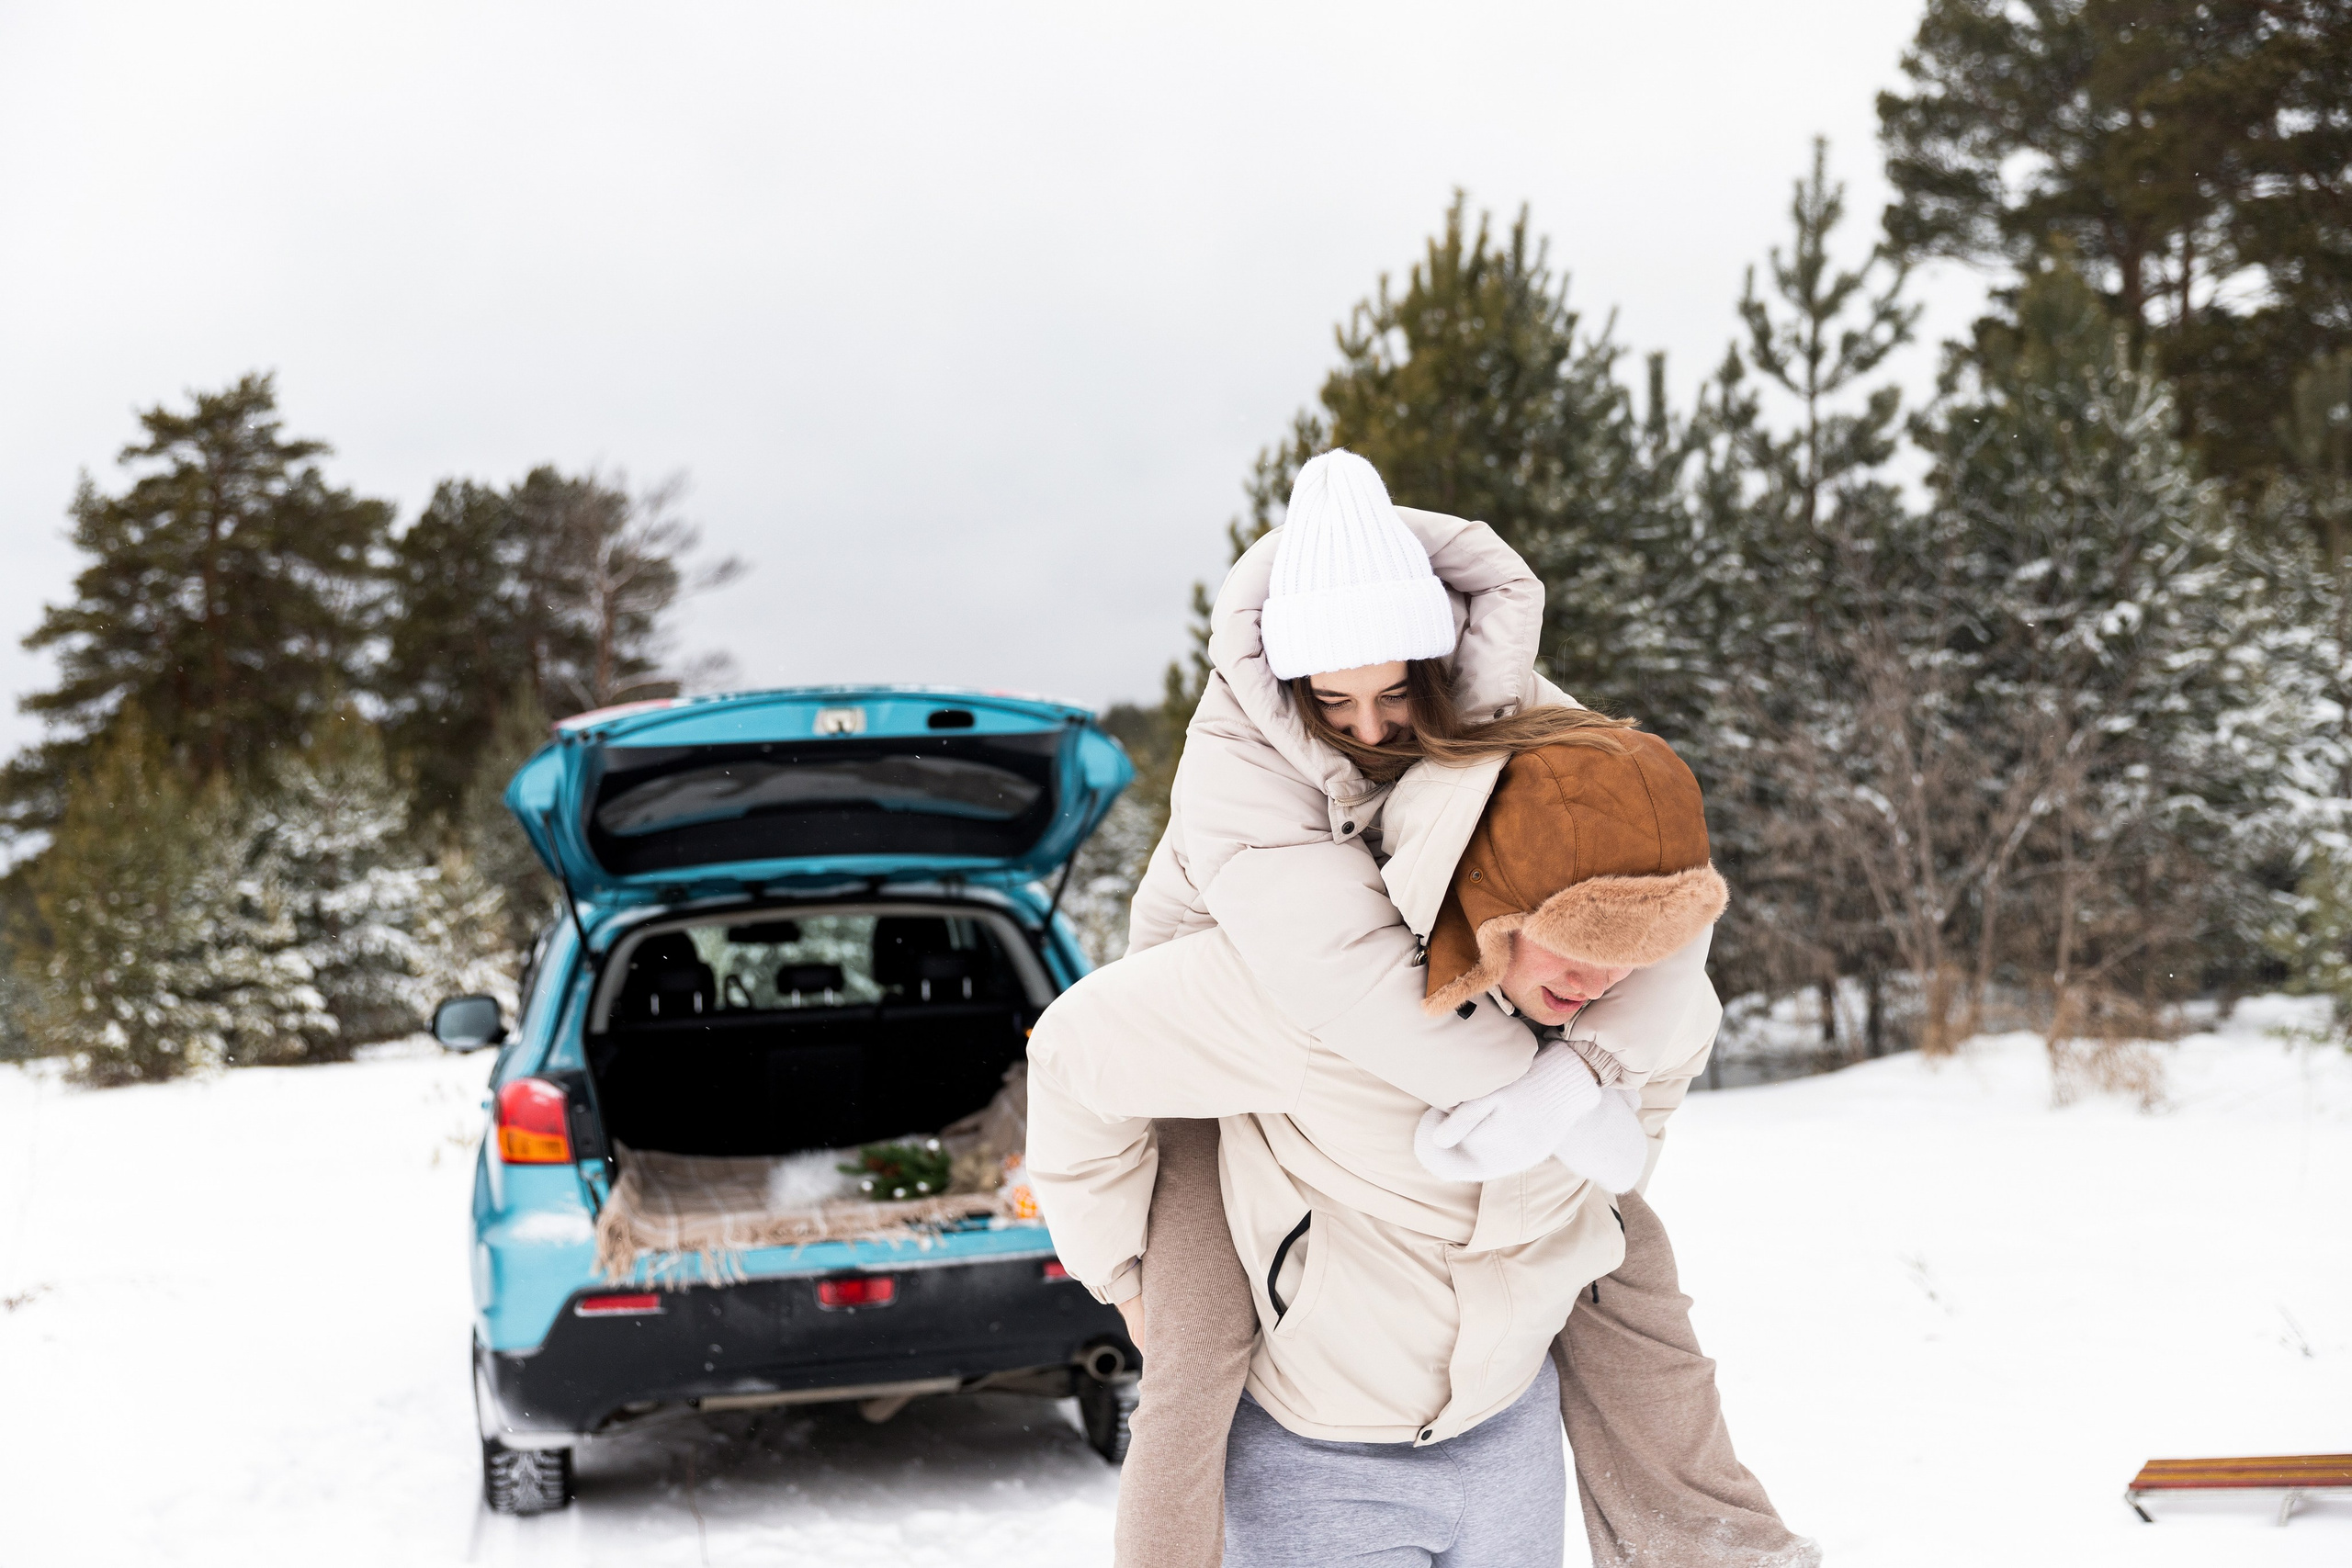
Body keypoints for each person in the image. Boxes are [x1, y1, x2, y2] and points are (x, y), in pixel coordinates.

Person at [1028, 450, 1815, 1566]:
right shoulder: (1241, 756)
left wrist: (1587, 1084)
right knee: (1195, 1338)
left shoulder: (1522, 714)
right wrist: (1120, 1271)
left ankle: (1715, 1543)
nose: (1373, 727)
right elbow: (1336, 969)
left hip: (1454, 981)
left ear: (1443, 655)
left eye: (1398, 691)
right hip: (1224, 1046)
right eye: (1336, 702)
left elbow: (1657, 926)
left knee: (1616, 1259)